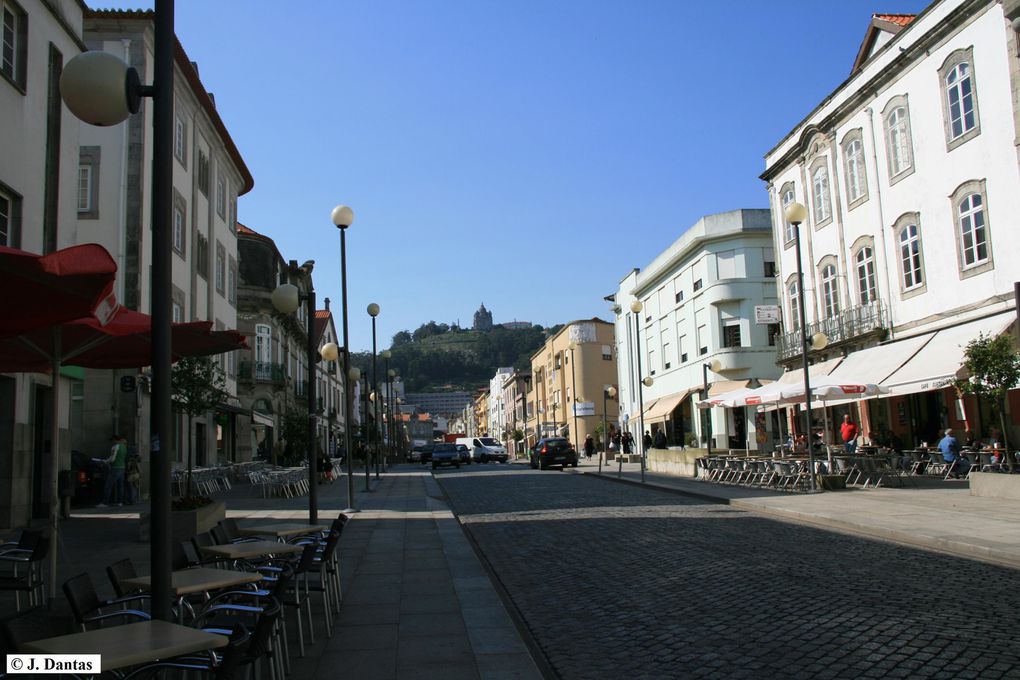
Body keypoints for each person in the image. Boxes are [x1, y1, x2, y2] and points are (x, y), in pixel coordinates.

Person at [98, 434, 127, 507]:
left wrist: (105, 461)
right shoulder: (124, 447)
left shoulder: (115, 447)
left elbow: (112, 458)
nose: (112, 442)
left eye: (112, 441)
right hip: (122, 468)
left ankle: (105, 502)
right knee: (121, 486)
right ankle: (120, 502)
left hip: (115, 468)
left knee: (108, 485)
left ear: (115, 440)